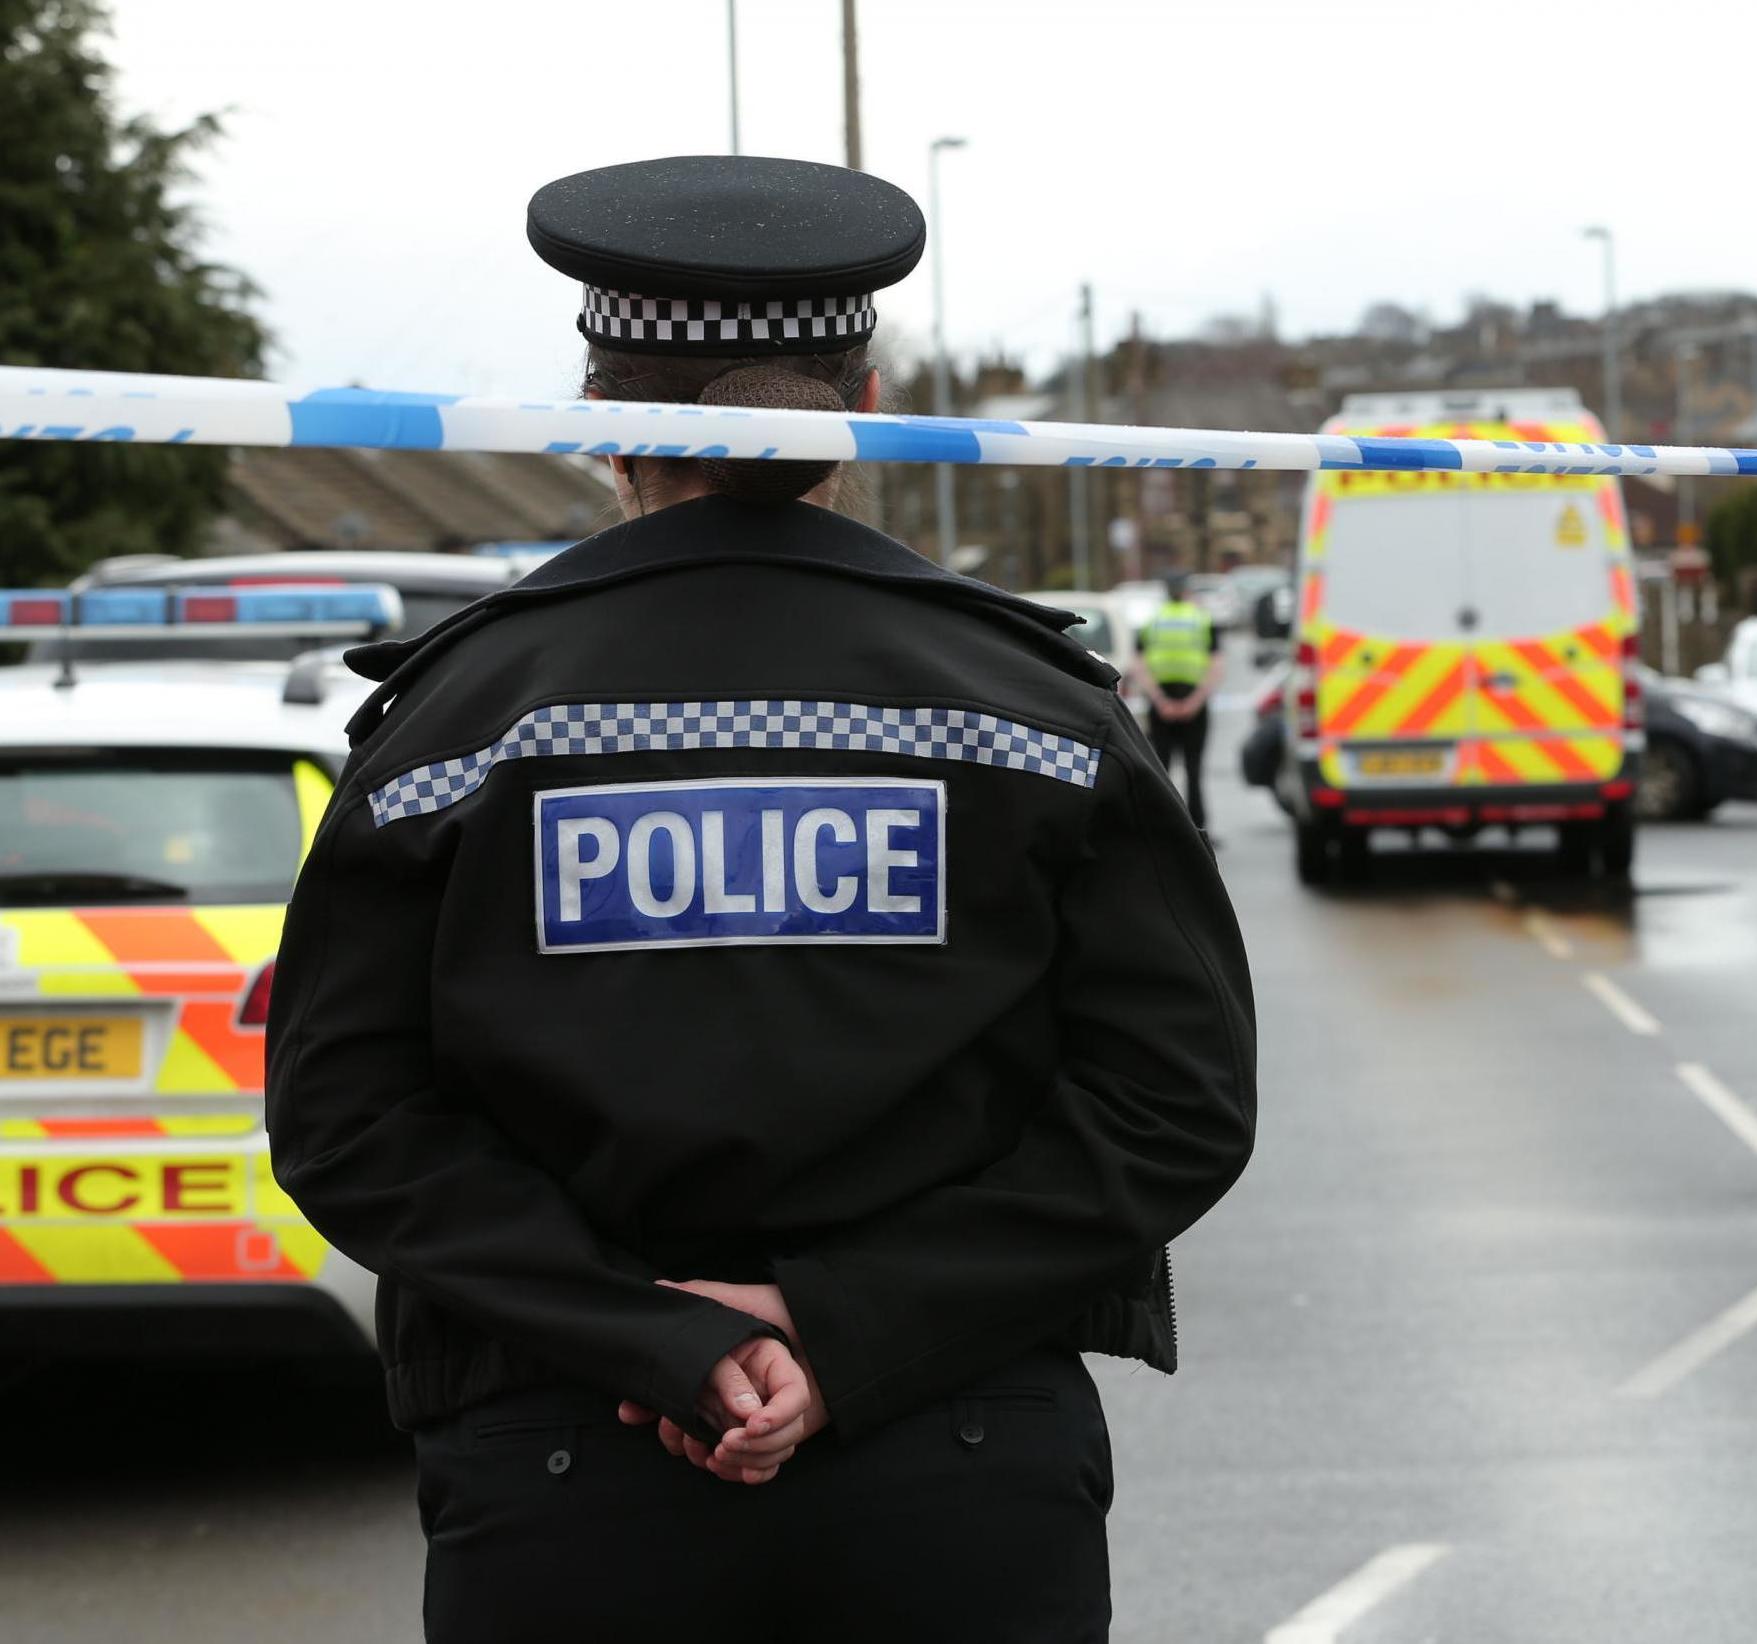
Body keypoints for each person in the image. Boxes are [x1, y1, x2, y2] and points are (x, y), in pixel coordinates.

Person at [264, 155, 1255, 1644]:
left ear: (601, 416)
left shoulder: (454, 720)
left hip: (563, 1469)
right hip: (959, 1466)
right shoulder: (1040, 711)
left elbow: (347, 1123)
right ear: (857, 394)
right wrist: (846, 1330)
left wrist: (651, 1335)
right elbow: (1175, 1100)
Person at [1129, 573, 1224, 835]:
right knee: (1194, 770)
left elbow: (1138, 664)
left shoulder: (1153, 620)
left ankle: (1164, 831)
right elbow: (1216, 664)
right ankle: (1199, 831)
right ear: (1186, 591)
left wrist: (1159, 700)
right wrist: (1195, 701)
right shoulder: (1201, 618)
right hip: (1194, 704)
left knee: (1162, 770)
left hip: (1161, 706)